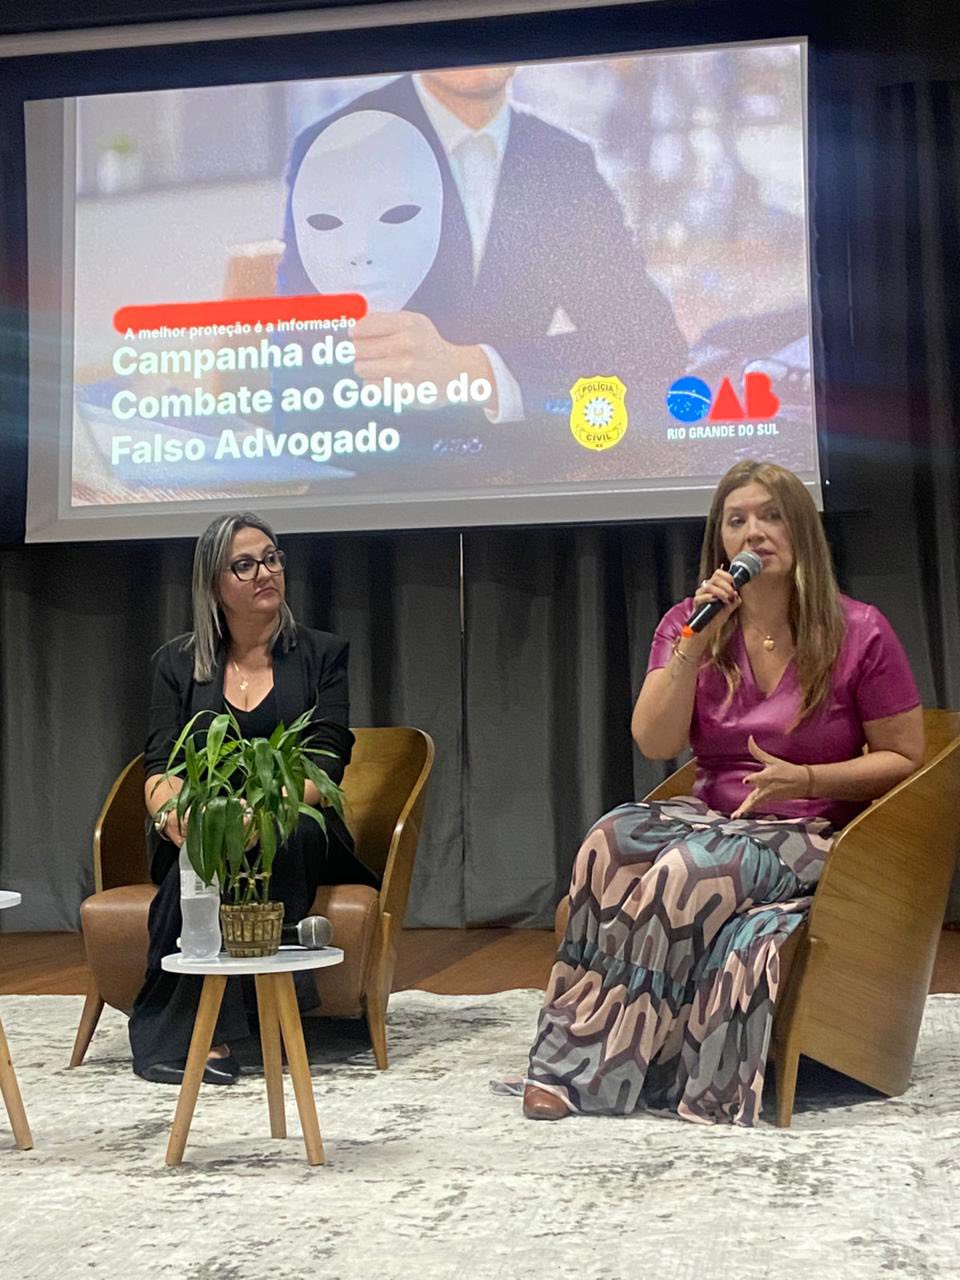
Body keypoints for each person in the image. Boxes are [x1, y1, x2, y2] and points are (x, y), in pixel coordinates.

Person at [523, 460, 925, 1125]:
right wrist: (694, 644)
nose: (753, 532)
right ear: (720, 541)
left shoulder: (859, 630)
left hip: (811, 830)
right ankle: (589, 1050)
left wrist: (807, 778)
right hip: (712, 815)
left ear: (801, 530)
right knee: (609, 840)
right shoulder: (690, 622)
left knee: (689, 870)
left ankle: (590, 1073)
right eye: (736, 520)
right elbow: (655, 740)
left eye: (771, 516)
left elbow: (905, 756)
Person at [277, 67, 687, 481]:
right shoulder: (340, 144)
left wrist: (474, 370)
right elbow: (304, 376)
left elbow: (649, 343)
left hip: (531, 478)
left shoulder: (562, 160)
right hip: (385, 485)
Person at [128, 512, 379, 1084]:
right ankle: (197, 1033)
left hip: (296, 818)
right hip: (206, 823)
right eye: (244, 565)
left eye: (271, 558)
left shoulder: (322, 654)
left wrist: (260, 814)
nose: (265, 572)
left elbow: (325, 760)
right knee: (202, 852)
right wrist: (175, 814)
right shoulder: (176, 662)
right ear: (213, 584)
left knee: (288, 833)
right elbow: (160, 764)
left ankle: (219, 1028)